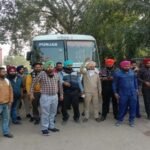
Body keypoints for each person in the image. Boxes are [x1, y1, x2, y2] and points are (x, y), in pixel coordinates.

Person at [30, 60, 63, 136]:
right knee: (45, 113)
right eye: (48, 66)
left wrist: (61, 95)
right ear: (45, 67)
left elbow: (60, 86)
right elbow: (33, 84)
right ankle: (44, 128)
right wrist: (31, 94)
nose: (50, 68)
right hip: (45, 97)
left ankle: (51, 126)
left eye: (51, 66)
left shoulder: (56, 75)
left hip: (55, 96)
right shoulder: (42, 74)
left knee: (53, 112)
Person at [113, 60, 138, 127]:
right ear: (122, 66)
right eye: (125, 66)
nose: (127, 67)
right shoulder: (117, 73)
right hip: (123, 93)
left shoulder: (132, 72)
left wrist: (136, 89)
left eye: (128, 66)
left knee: (133, 107)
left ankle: (131, 120)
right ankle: (120, 120)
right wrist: (115, 92)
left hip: (132, 93)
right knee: (122, 107)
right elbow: (114, 83)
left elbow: (135, 81)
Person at [0, 67, 13, 138]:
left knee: (6, 119)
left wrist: (10, 101)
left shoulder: (7, 81)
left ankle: (6, 132)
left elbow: (11, 91)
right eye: (2, 72)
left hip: (6, 103)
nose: (4, 73)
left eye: (5, 72)